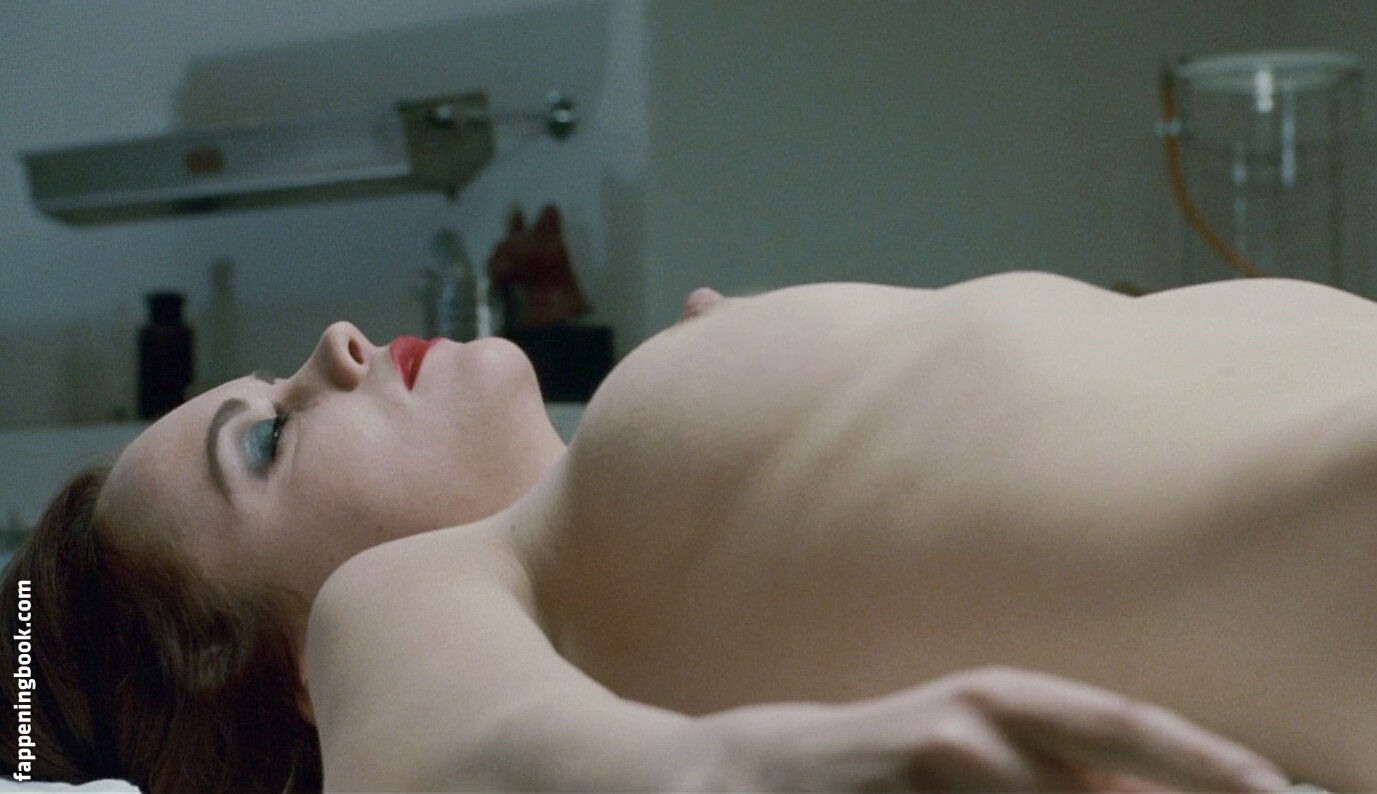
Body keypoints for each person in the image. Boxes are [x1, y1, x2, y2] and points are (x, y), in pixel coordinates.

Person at [8, 269, 1377, 792]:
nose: (335, 342)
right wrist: (733, 769)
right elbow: (473, 756)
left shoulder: (641, 490)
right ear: (302, 678)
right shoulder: (416, 592)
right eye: (265, 441)